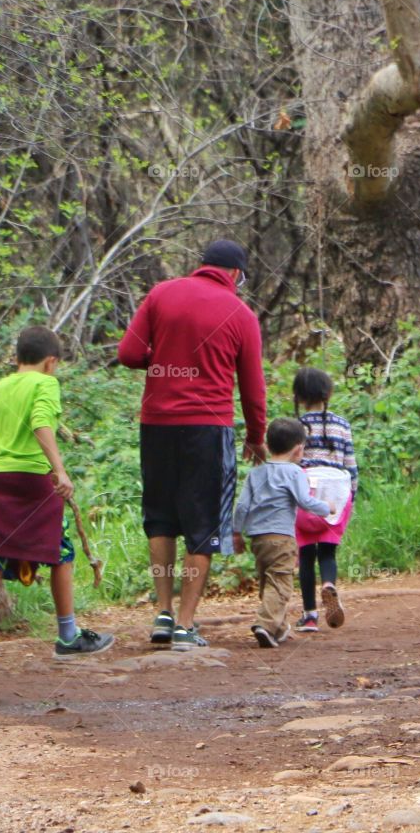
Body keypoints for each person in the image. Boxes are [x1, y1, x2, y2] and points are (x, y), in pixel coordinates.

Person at [118, 239, 267, 651]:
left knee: (162, 518)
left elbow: (129, 353)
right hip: (208, 428)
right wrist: (256, 436)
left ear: (202, 265)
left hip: (157, 424)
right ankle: (186, 624)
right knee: (203, 528)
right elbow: (253, 388)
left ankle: (163, 613)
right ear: (236, 274)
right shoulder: (241, 314)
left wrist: (165, 362)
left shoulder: (162, 293)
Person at [0, 326, 115, 666]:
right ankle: (68, 636)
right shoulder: (46, 383)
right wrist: (59, 470)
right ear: (51, 362)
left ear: (16, 358)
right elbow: (41, 422)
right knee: (62, 553)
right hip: (34, 480)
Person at [232, 419, 335, 648]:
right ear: (299, 449)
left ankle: (277, 629)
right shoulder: (295, 472)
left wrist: (236, 533)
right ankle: (265, 625)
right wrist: (327, 507)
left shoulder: (256, 473)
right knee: (281, 583)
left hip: (258, 539)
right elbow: (304, 501)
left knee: (269, 581)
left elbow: (241, 507)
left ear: (267, 446)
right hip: (281, 537)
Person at [291, 367, 358, 633]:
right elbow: (350, 463)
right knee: (327, 551)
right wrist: (351, 494)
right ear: (328, 392)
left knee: (306, 553)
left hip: (307, 488)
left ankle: (309, 616)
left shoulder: (295, 427)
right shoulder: (341, 424)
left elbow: (291, 464)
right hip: (336, 490)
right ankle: (329, 583)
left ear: (298, 396)